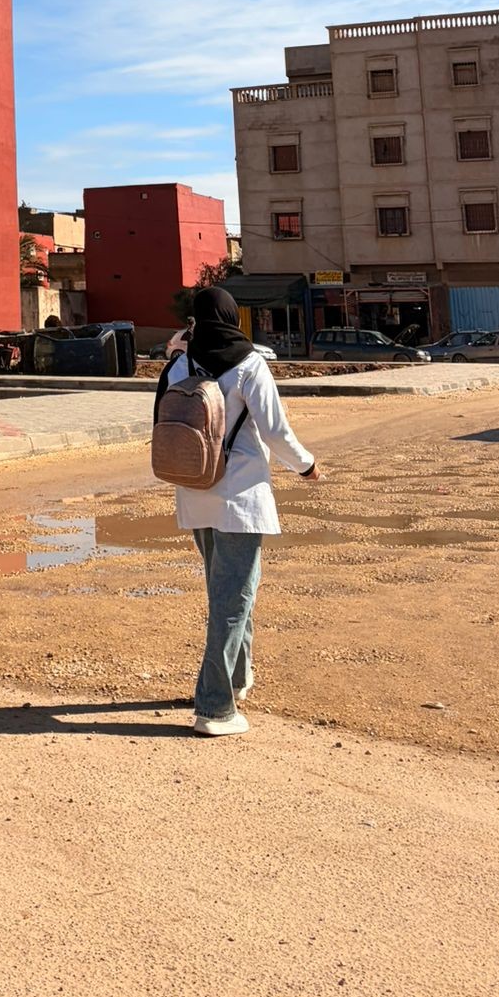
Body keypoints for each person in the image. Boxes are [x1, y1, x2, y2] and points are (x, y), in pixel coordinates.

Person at [157, 286, 321, 738]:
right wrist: (306, 465)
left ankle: (237, 679)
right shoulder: (249, 364)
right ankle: (214, 708)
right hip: (241, 497)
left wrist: (179, 348)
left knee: (229, 594)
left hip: (195, 491)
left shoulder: (180, 365)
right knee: (234, 600)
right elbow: (275, 431)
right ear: (233, 317)